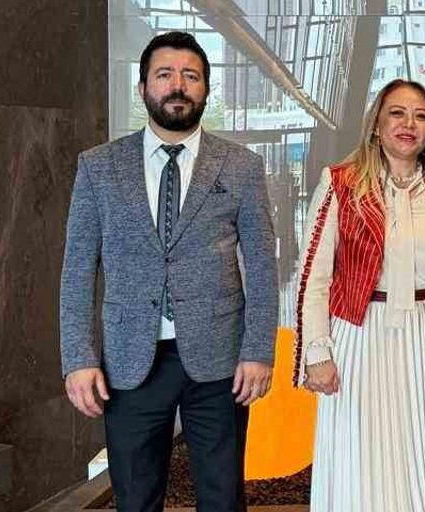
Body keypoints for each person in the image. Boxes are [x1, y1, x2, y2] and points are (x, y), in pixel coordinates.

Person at [59, 31, 278, 512]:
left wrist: (259, 351)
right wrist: (78, 357)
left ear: (206, 89)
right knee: (135, 499)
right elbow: (77, 268)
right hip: (129, 362)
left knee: (223, 500)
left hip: (220, 363)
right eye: (164, 74)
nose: (178, 85)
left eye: (190, 76)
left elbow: (263, 265)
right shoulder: (98, 167)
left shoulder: (241, 166)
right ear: (143, 88)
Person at [294, 78, 425, 512]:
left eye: (421, 116)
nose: (409, 124)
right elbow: (314, 276)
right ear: (376, 124)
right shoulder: (340, 183)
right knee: (360, 459)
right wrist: (317, 352)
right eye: (397, 113)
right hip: (358, 339)